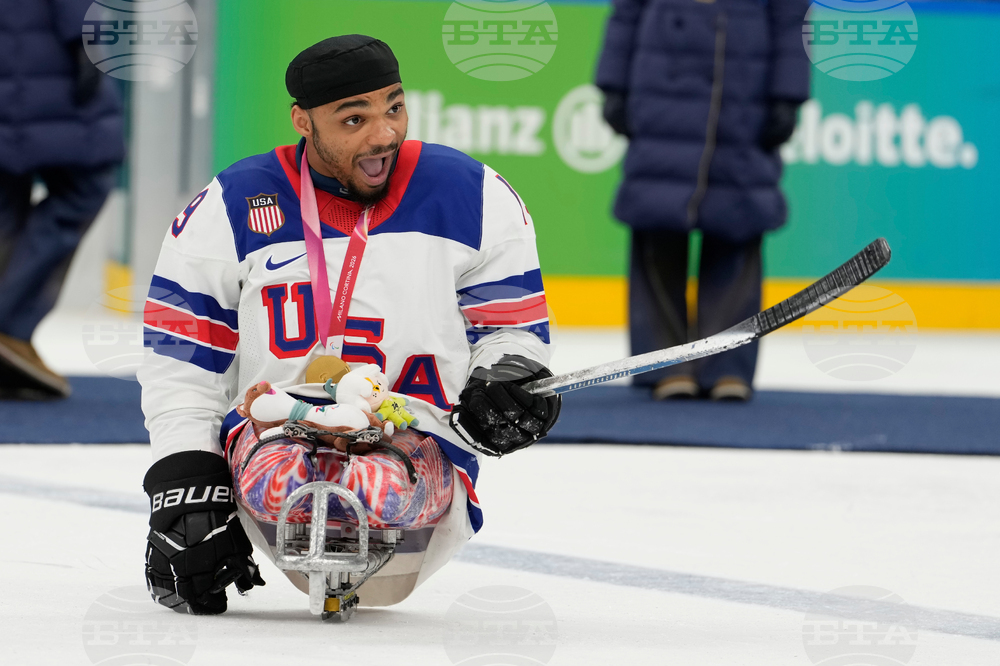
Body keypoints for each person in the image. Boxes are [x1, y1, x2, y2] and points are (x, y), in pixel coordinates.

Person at [137, 35, 560, 615]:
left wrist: (506, 375)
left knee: (376, 495)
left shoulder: (472, 195)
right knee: (284, 483)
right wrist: (184, 476)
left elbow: (511, 330)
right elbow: (181, 354)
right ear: (303, 121)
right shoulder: (233, 203)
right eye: (354, 118)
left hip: (415, 442)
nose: (384, 134)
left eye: (394, 107)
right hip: (274, 439)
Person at [596, 0, 810, 401]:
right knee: (657, 224)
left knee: (738, 225)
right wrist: (613, 84)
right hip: (660, 82)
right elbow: (626, 10)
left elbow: (790, 15)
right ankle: (664, 363)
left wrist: (789, 93)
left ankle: (728, 364)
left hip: (744, 90)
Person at [0, 0, 125, 398]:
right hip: (51, 77)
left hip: (20, 73)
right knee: (82, 190)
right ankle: (8, 326)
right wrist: (86, 43)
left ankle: (11, 334)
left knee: (7, 208)